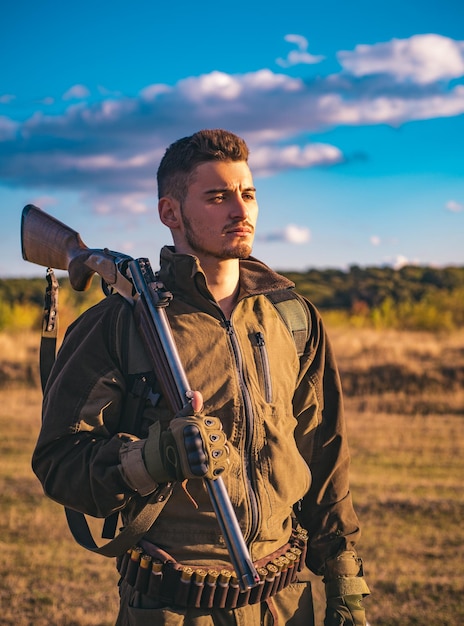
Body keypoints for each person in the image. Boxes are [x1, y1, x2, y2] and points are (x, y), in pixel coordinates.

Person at [32, 129, 370, 625]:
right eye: (218, 197)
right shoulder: (121, 322)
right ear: (170, 213)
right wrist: (152, 458)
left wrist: (344, 579)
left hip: (286, 599)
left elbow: (324, 452)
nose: (241, 210)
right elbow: (59, 461)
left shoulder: (292, 317)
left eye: (247, 193)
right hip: (173, 603)